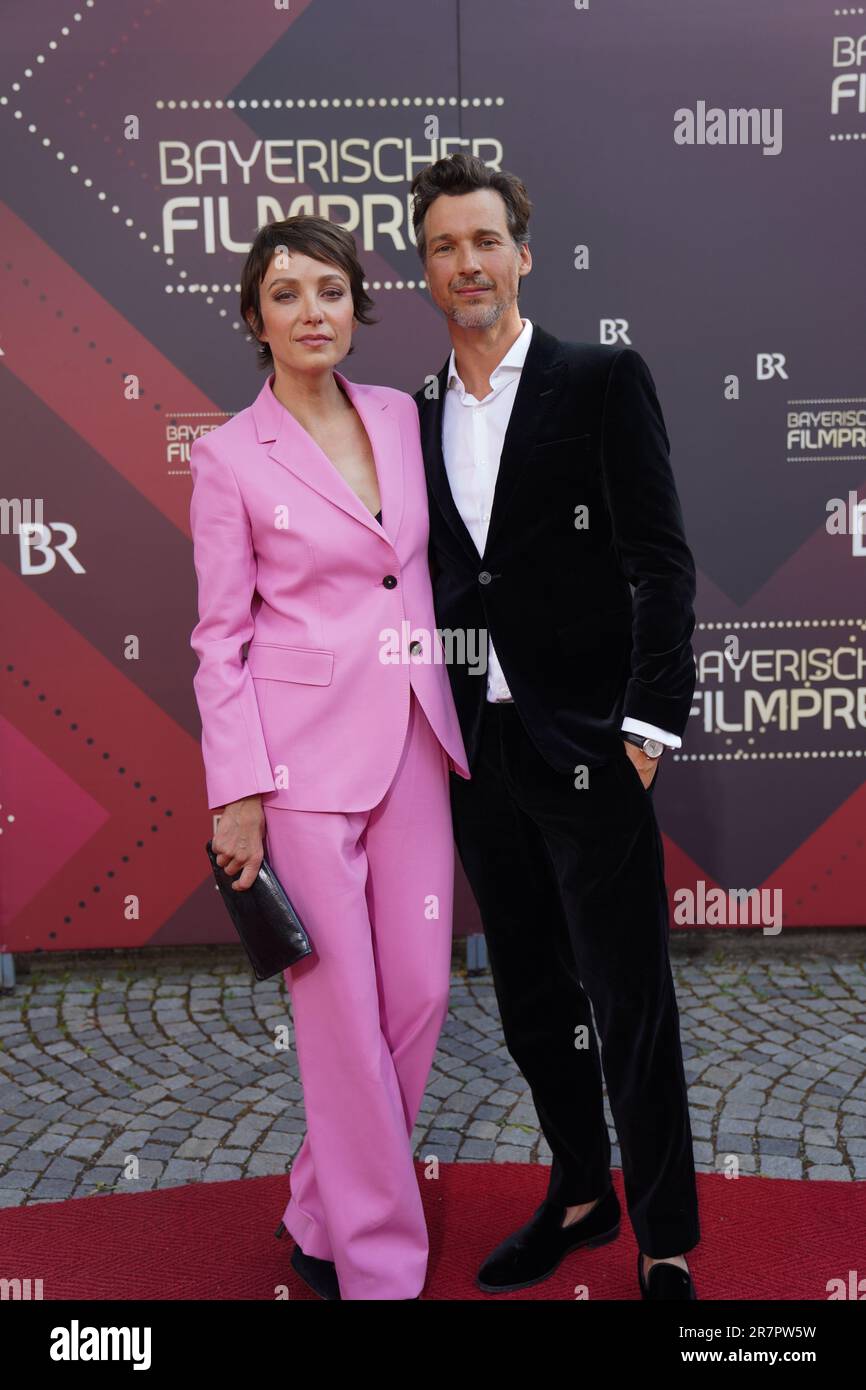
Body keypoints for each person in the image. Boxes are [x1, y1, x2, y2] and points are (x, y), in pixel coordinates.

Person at [410, 152, 701, 1300]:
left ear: (522, 254)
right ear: (425, 269)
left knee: (627, 1003)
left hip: (592, 752)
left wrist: (641, 737)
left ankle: (665, 1235)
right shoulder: (413, 414)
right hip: (479, 759)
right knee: (530, 998)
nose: (467, 263)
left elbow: (661, 568)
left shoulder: (598, 379)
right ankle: (579, 1193)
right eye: (444, 246)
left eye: (485, 240)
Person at [187, 214, 470, 1301]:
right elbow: (219, 638)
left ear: (357, 305)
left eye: (329, 291)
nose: (312, 312)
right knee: (340, 1015)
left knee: (415, 998)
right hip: (297, 771)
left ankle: (317, 1198)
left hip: (411, 739)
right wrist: (238, 795)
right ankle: (375, 1262)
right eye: (286, 293)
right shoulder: (226, 457)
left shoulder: (400, 417)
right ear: (256, 319)